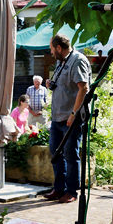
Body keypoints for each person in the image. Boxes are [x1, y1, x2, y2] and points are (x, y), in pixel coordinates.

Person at [45, 34, 89, 204]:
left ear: (58, 48)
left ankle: (71, 192)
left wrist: (73, 113)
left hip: (71, 118)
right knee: (55, 153)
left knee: (71, 155)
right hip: (57, 116)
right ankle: (59, 189)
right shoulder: (61, 61)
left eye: (51, 49)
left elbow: (83, 88)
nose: (50, 52)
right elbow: (64, 85)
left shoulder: (78, 60)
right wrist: (51, 84)